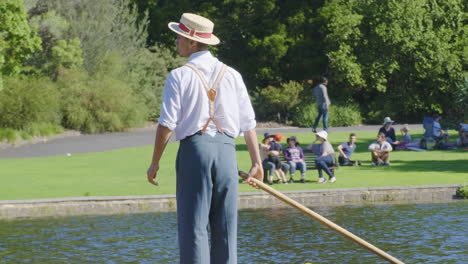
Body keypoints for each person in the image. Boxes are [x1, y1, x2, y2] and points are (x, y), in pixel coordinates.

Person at [146, 13, 263, 264]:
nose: (176, 42)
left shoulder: (179, 75)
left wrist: (155, 162)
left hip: (195, 151)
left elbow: (167, 124)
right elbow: (248, 124)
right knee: (225, 227)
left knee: (193, 227)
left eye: (179, 37)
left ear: (192, 43)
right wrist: (257, 162)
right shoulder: (233, 74)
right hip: (226, 153)